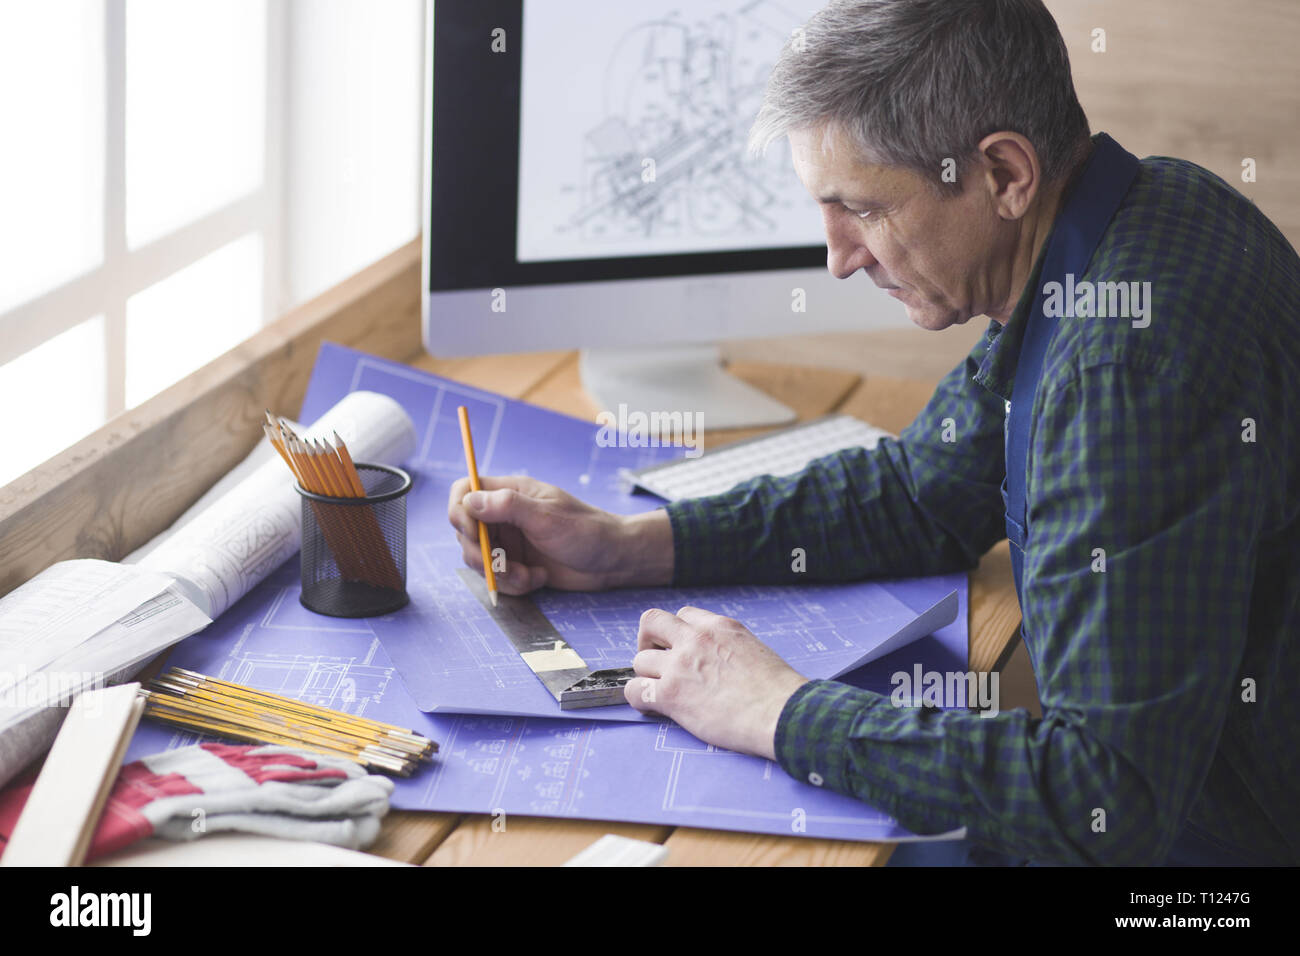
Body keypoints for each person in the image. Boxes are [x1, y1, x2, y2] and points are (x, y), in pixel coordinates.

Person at [448, 0, 1299, 865]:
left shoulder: (1121, 369)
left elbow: (1102, 799)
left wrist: (781, 711)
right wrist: (622, 545)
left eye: (861, 207)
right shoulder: (1136, 218)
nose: (839, 257)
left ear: (1005, 173)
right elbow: (924, 490)